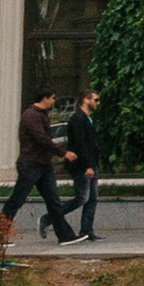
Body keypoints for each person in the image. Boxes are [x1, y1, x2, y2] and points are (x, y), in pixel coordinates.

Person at [0, 89, 67, 244]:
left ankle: (65, 235)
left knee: (53, 200)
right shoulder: (31, 115)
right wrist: (62, 152)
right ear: (44, 98)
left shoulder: (41, 115)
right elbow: (41, 138)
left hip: (43, 163)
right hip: (31, 163)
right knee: (17, 198)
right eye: (52, 98)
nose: (54, 101)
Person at [58, 88, 104, 243]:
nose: (97, 103)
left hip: (90, 164)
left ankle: (86, 230)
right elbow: (80, 144)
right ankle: (51, 216)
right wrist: (87, 166)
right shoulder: (77, 119)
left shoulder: (87, 118)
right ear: (85, 100)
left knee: (92, 199)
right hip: (80, 165)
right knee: (82, 198)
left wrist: (93, 164)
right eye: (95, 100)